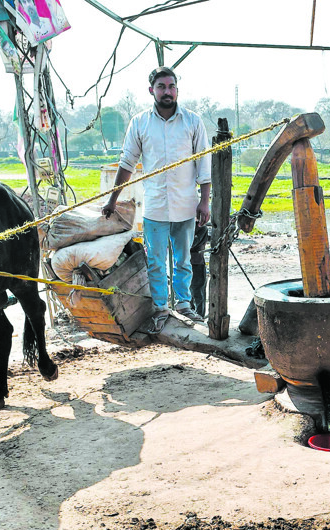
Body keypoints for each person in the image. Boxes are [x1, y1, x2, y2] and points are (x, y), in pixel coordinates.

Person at [102, 66, 210, 333]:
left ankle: (184, 306)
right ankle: (161, 309)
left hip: (186, 205)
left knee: (183, 260)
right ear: (151, 90)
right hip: (156, 207)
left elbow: (203, 164)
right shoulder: (140, 122)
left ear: (177, 90)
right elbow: (127, 162)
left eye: (171, 86)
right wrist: (112, 200)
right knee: (155, 261)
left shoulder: (192, 121)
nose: (167, 92)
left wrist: (204, 201)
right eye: (161, 87)